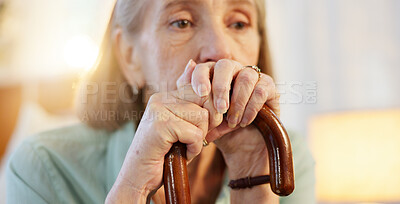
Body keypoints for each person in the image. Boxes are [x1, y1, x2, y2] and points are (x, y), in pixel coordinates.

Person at [6, 0, 315, 203]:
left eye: (238, 23)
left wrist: (251, 177)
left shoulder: (284, 154)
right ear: (129, 56)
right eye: (181, 22)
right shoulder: (42, 167)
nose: (221, 52)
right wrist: (133, 188)